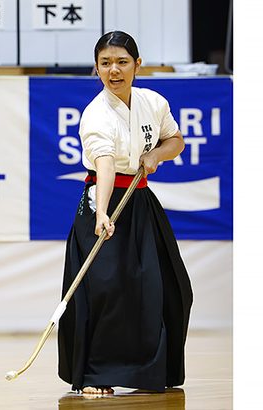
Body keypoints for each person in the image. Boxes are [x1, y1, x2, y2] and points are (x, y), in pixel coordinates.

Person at [57, 31, 193, 396]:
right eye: (105, 63)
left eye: (121, 62)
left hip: (141, 201)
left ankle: (149, 371)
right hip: (102, 206)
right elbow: (103, 164)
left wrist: (156, 156)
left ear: (137, 64)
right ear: (96, 68)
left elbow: (175, 140)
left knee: (167, 286)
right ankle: (94, 375)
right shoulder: (95, 113)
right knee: (105, 289)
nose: (113, 70)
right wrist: (102, 212)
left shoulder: (153, 102)